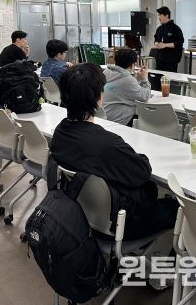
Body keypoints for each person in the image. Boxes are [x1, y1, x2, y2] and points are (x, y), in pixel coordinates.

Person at [50, 63, 178, 239]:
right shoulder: (106, 144)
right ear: (98, 97)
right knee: (178, 208)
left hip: (82, 213)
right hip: (118, 222)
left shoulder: (59, 133)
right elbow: (142, 172)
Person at [103, 49, 151, 126]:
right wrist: (144, 79)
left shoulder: (106, 72)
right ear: (132, 65)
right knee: (146, 114)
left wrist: (136, 79)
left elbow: (123, 88)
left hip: (104, 118)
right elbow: (145, 96)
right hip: (119, 122)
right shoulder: (128, 79)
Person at [153, 6, 184, 72]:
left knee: (169, 78)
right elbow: (156, 39)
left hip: (171, 61)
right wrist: (156, 43)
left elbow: (179, 43)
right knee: (158, 77)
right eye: (158, 15)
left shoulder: (175, 29)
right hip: (159, 60)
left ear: (166, 16)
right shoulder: (159, 29)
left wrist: (164, 45)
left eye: (160, 15)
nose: (159, 17)